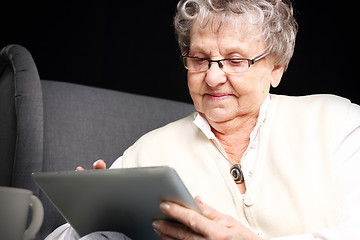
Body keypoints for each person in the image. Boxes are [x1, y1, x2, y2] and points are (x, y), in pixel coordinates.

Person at [46, 0, 360, 239]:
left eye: (235, 61)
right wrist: (89, 217)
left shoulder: (337, 123)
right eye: (199, 59)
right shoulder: (148, 151)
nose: (212, 77)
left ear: (276, 67)